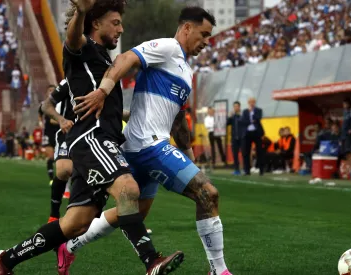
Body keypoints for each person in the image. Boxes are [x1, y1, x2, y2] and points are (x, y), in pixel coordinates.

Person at [0, 1, 181, 275]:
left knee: (76, 223)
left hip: (97, 140)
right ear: (96, 23)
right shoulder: (83, 50)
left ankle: (5, 259)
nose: (120, 29)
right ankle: (152, 262)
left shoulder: (104, 59)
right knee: (128, 189)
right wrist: (80, 11)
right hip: (93, 137)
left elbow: (113, 108)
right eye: (115, 23)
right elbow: (72, 39)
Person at [60, 7, 232, 275]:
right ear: (187, 28)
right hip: (149, 145)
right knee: (208, 193)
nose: (207, 42)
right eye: (204, 34)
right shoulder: (167, 47)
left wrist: (187, 151)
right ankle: (219, 271)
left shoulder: (185, 70)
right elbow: (127, 58)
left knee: (131, 213)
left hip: (139, 147)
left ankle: (70, 246)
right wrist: (103, 91)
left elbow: (178, 118)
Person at [40, 79, 75, 223]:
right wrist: (61, 120)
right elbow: (45, 107)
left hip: (92, 133)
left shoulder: (100, 82)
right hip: (66, 132)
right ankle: (54, 214)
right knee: (63, 170)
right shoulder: (67, 83)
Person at [39, 85, 61, 185]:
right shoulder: (44, 104)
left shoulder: (60, 103)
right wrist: (40, 122)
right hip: (48, 133)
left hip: (59, 132)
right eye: (50, 90)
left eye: (53, 90)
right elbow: (40, 113)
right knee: (51, 156)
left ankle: (60, 178)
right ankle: (52, 179)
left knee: (59, 157)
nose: (51, 92)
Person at [242, 97, 264, 175]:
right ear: (248, 103)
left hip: (257, 132)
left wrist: (252, 114)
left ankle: (261, 169)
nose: (252, 103)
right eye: (250, 102)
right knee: (246, 152)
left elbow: (258, 118)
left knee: (260, 151)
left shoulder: (258, 110)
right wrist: (251, 121)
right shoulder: (245, 111)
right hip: (247, 133)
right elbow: (243, 121)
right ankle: (247, 170)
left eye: (253, 102)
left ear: (255, 102)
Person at [227, 101, 245, 175]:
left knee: (244, 154)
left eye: (237, 106)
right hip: (234, 138)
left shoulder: (243, 115)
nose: (235, 108)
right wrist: (230, 116)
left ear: (239, 107)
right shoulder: (232, 116)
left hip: (242, 138)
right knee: (235, 154)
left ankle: (245, 169)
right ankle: (237, 170)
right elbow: (227, 123)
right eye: (234, 106)